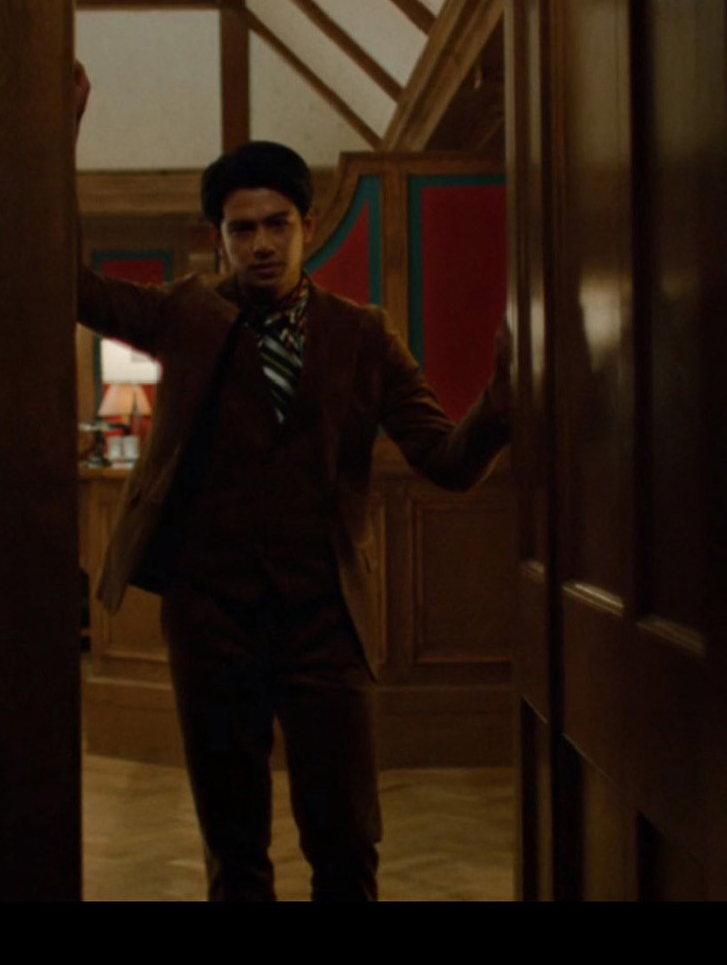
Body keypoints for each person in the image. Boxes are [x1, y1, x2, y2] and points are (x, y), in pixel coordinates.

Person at [73, 62, 512, 901]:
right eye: (242, 230)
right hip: (209, 616)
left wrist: (502, 400)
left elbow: (446, 463)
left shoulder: (363, 336)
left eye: (277, 225)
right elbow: (72, 287)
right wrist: (59, 135)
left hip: (323, 621)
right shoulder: (186, 313)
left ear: (308, 226)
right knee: (233, 848)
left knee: (346, 841)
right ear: (219, 238)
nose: (262, 245)